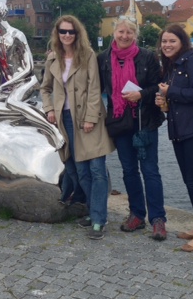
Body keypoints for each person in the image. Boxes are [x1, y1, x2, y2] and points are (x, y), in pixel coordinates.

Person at [41, 16, 114, 239]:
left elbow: (95, 88)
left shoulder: (88, 55)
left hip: (88, 118)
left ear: (77, 33)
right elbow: (44, 88)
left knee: (97, 170)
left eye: (71, 32)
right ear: (57, 33)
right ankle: (93, 212)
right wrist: (49, 109)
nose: (67, 35)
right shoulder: (53, 59)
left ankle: (99, 220)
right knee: (80, 171)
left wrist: (91, 117)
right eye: (63, 31)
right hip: (66, 120)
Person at [98, 16, 168, 240]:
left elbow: (157, 86)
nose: (125, 36)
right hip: (119, 122)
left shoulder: (147, 57)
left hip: (144, 121)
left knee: (150, 171)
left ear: (135, 35)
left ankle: (158, 219)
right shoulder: (104, 59)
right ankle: (136, 214)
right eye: (121, 32)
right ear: (114, 34)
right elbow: (94, 85)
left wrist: (141, 94)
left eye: (129, 32)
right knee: (129, 171)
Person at [155, 25, 193, 252]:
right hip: (181, 132)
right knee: (190, 182)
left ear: (182, 42)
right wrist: (165, 102)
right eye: (164, 41)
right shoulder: (172, 67)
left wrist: (171, 93)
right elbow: (179, 102)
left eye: (172, 41)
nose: (167, 45)